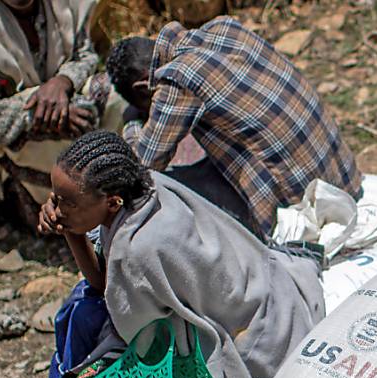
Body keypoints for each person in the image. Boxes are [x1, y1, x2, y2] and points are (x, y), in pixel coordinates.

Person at [38, 130, 326, 378]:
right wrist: (69, 229)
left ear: (112, 202)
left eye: (66, 202)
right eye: (55, 197)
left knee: (84, 317)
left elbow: (141, 338)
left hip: (254, 338)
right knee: (85, 307)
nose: (56, 208)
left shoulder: (136, 250)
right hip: (272, 292)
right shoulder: (147, 187)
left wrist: (73, 231)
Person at [107, 17, 363, 239]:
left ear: (143, 89)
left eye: (145, 104)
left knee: (163, 193)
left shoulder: (177, 79)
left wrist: (132, 121)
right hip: (343, 178)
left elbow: (142, 166)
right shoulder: (224, 28)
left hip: (304, 207)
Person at [0, 0, 120, 225]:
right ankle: (63, 213)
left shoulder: (63, 5)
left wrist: (62, 82)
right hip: (16, 134)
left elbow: (85, 54)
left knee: (114, 94)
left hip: (68, 98)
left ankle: (114, 192)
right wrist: (40, 111)